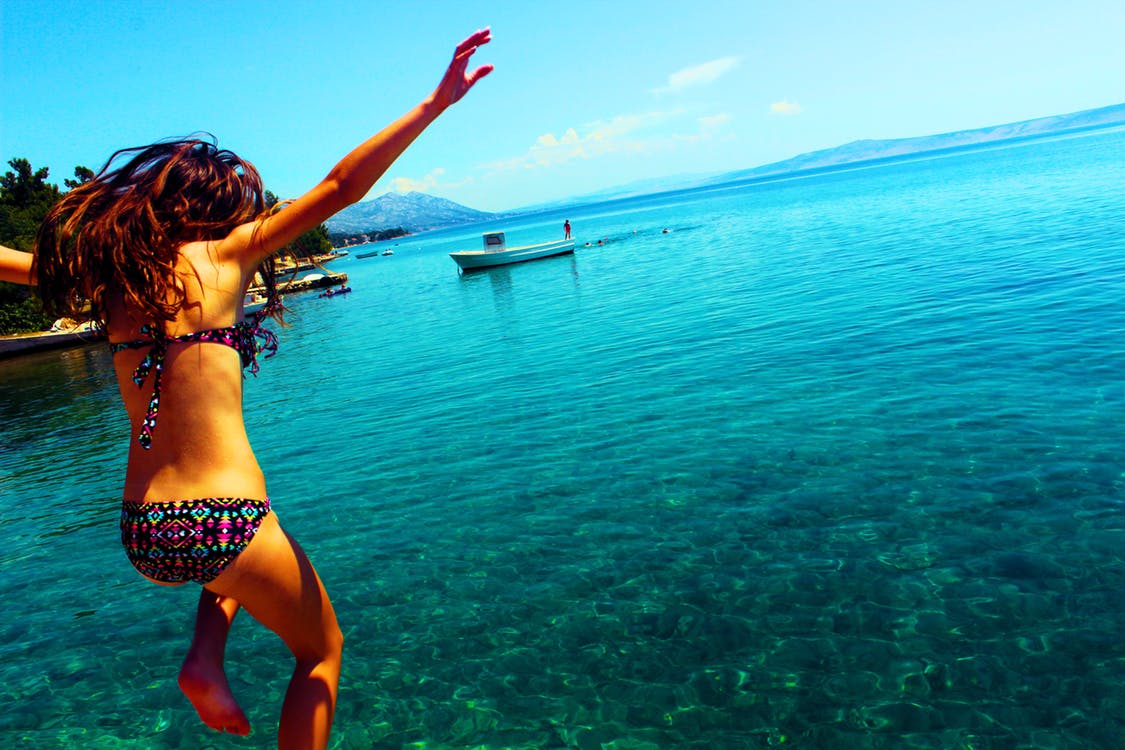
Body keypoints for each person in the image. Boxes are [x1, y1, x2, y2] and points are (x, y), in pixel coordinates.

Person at [22, 28, 493, 749]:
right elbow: (341, 187)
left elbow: (19, 265)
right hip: (226, 521)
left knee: (237, 556)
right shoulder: (230, 251)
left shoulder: (111, 277)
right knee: (321, 650)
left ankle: (205, 659)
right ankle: (208, 662)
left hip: (145, 533)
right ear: (218, 204)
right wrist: (432, 104)